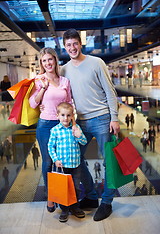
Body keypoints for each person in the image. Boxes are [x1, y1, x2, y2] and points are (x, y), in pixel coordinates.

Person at [61, 29, 120, 221]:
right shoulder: (64, 69)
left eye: (75, 43)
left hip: (103, 118)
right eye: (68, 45)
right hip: (82, 122)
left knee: (109, 162)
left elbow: (110, 91)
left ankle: (107, 203)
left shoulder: (96, 63)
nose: (72, 48)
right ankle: (92, 196)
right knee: (75, 157)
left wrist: (115, 118)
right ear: (64, 46)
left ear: (81, 43)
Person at [29, 47, 73, 213]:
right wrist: (43, 88)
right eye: (44, 60)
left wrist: (73, 124)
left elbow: (69, 103)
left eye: (50, 59)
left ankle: (64, 199)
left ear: (55, 60)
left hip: (63, 125)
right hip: (46, 125)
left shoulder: (64, 81)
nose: (47, 63)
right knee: (48, 162)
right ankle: (51, 197)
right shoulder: (39, 80)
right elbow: (33, 104)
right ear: (41, 63)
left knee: (62, 162)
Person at [48, 102, 87, 222]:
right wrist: (55, 159)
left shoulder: (76, 128)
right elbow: (50, 146)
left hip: (75, 165)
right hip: (62, 167)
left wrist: (79, 135)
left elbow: (84, 142)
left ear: (72, 116)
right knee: (63, 189)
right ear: (58, 116)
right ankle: (64, 210)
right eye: (63, 115)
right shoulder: (55, 130)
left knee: (76, 188)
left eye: (69, 115)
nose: (66, 118)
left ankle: (75, 208)